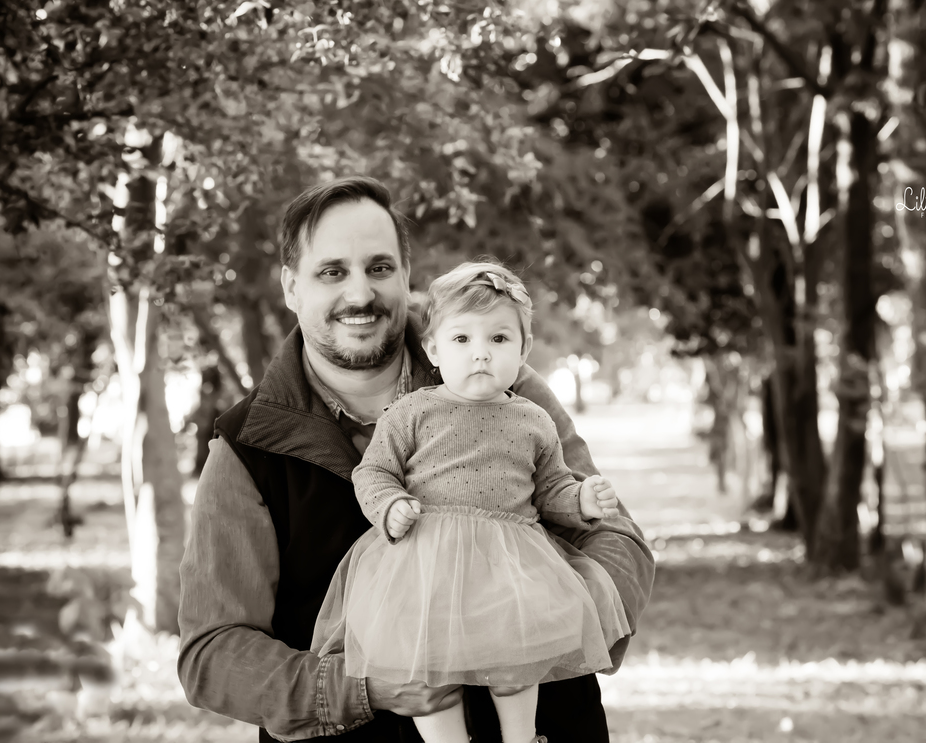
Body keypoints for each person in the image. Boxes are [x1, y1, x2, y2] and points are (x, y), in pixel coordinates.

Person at [177, 176, 654, 743]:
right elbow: (212, 652)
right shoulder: (246, 445)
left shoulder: (507, 387)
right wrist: (364, 688)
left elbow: (616, 536)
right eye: (332, 272)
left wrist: (558, 625)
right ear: (290, 287)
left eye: (379, 268)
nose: (359, 294)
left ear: (406, 275)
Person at [312, 262, 631, 743]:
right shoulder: (411, 412)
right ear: (434, 349)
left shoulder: (533, 419)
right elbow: (373, 471)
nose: (480, 354)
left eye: (499, 340)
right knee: (426, 671)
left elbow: (550, 489)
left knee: (516, 662)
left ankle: (520, 738)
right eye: (462, 340)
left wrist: (581, 500)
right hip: (426, 566)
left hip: (510, 565)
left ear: (523, 350)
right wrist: (389, 505)